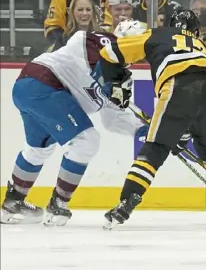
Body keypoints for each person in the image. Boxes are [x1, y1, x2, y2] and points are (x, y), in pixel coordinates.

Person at [98, 11, 206, 229]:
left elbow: (108, 52)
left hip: (180, 86)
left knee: (155, 148)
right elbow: (192, 108)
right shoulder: (200, 44)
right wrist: (181, 137)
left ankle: (126, 202)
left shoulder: (156, 34)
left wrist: (118, 84)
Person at [0, 30, 149, 226]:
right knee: (87, 141)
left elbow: (113, 118)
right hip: (45, 82)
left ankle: (12, 204)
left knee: (38, 149)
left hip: (30, 91)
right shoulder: (103, 43)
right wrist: (104, 72)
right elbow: (82, 39)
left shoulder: (120, 75)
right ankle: (58, 204)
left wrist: (146, 131)